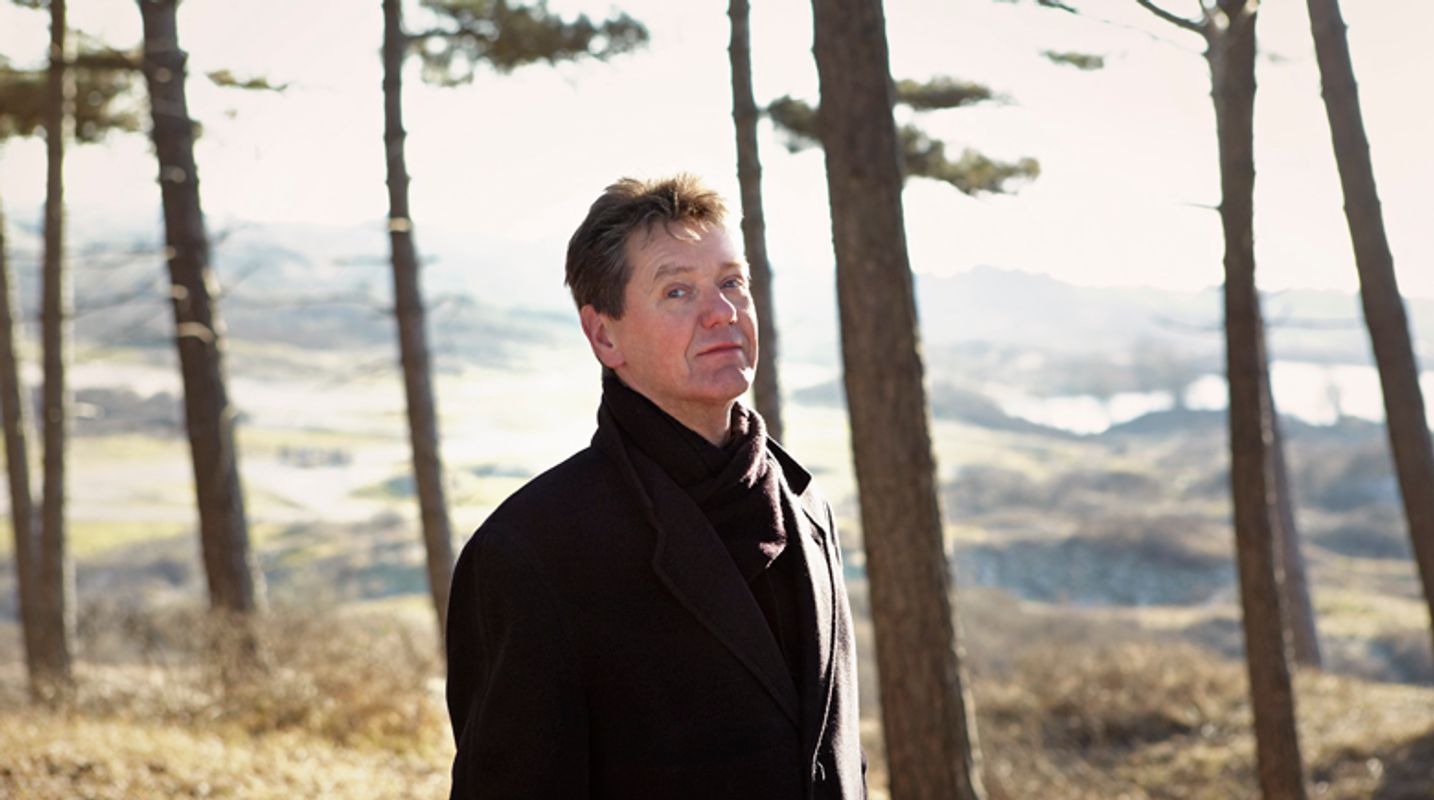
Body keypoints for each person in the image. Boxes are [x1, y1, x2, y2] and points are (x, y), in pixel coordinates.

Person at [445, 174, 865, 798]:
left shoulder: (806, 504)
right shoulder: (530, 552)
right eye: (677, 291)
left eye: (732, 282)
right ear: (604, 335)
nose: (723, 312)